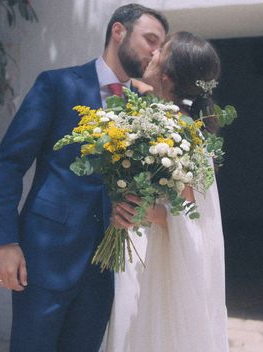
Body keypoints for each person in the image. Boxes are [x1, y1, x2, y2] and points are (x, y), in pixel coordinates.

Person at [0, 3, 168, 352]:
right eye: (150, 40)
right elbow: (9, 163)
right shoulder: (57, 85)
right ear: (118, 32)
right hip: (45, 255)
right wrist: (5, 242)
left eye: (160, 46)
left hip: (105, 267)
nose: (155, 52)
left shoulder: (144, 108)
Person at [104, 31, 229, 351]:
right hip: (141, 248)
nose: (153, 52)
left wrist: (142, 212)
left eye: (160, 52)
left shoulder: (185, 132)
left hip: (158, 260)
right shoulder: (162, 119)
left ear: (167, 76)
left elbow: (191, 212)